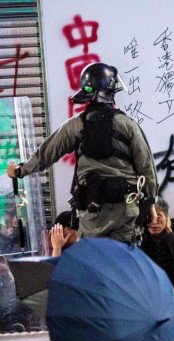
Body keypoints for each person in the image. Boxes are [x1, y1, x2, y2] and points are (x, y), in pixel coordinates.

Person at [5, 62, 158, 243]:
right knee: (123, 265)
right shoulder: (128, 125)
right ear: (109, 91)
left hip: (91, 212)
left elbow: (46, 153)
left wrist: (20, 170)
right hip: (125, 210)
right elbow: (147, 168)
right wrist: (150, 204)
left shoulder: (74, 126)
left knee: (93, 264)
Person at [141, 199, 174, 305]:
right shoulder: (141, 234)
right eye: (150, 217)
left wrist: (170, 234)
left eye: (158, 216)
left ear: (167, 218)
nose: (154, 222)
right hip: (153, 283)